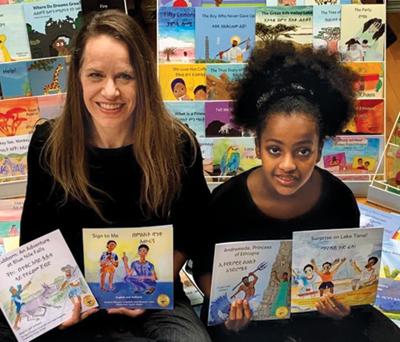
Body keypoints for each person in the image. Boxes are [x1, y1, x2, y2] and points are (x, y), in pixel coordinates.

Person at [0, 10, 211, 342]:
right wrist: (58, 304)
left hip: (154, 295)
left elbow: (194, 230)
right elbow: (36, 239)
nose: (110, 91)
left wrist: (153, 287)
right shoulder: (48, 144)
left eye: (125, 76)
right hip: (75, 300)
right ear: (78, 77)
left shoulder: (178, 144)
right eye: (96, 75)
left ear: (143, 77)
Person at [193, 40, 400, 341]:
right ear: (257, 147)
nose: (288, 165)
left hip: (318, 318)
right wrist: (228, 314)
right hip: (248, 323)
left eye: (303, 151)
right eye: (275, 149)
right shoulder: (226, 202)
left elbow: (348, 281)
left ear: (319, 150)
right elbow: (204, 269)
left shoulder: (339, 201)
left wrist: (342, 312)